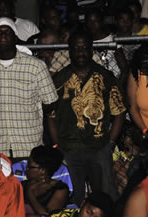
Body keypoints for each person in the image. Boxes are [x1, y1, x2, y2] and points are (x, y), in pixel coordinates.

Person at [51, 31, 125, 205]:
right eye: (76, 48)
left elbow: (119, 112)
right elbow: (50, 116)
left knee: (104, 198)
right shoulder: (60, 79)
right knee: (72, 198)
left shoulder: (105, 77)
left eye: (85, 48)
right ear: (70, 51)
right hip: (68, 149)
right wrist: (56, 146)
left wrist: (110, 144)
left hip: (98, 147)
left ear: (91, 50)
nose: (81, 52)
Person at [0, 18, 58, 159]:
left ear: (16, 37)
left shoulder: (36, 66)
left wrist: (31, 111)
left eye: (7, 31)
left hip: (29, 143)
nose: (3, 35)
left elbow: (51, 101)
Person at [22, 146, 70, 217]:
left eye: (29, 166)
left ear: (42, 170)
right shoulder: (21, 185)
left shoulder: (60, 189)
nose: (26, 168)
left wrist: (30, 194)